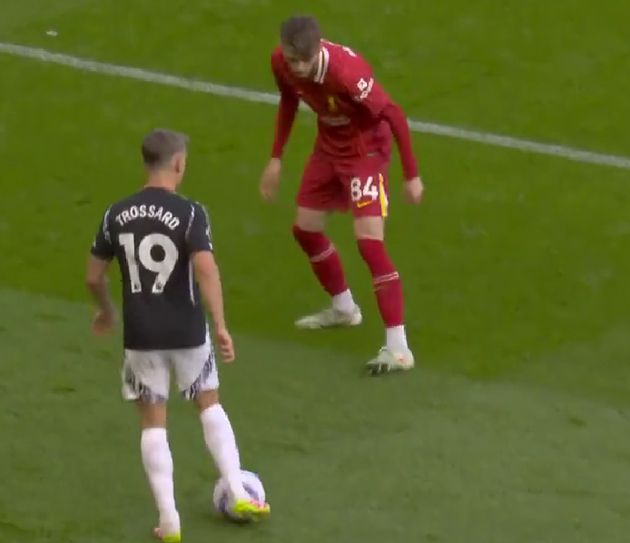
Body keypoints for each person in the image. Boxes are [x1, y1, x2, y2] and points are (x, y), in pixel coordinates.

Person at [86, 129, 270, 542]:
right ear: (179, 163)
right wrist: (220, 324)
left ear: (146, 162)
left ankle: (169, 519)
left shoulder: (115, 214)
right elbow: (205, 269)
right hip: (187, 330)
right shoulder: (190, 213)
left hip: (141, 335)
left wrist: (106, 310)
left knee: (153, 424)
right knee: (208, 404)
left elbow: (93, 276)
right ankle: (238, 490)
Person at [260, 15, 424, 375]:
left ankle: (399, 349)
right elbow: (288, 101)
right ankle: (344, 309)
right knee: (305, 229)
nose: (296, 68)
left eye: (303, 61)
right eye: (291, 60)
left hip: (366, 151)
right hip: (328, 147)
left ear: (318, 50)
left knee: (369, 243)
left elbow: (394, 114)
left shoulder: (348, 74)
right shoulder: (281, 62)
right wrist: (276, 158)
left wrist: (411, 175)